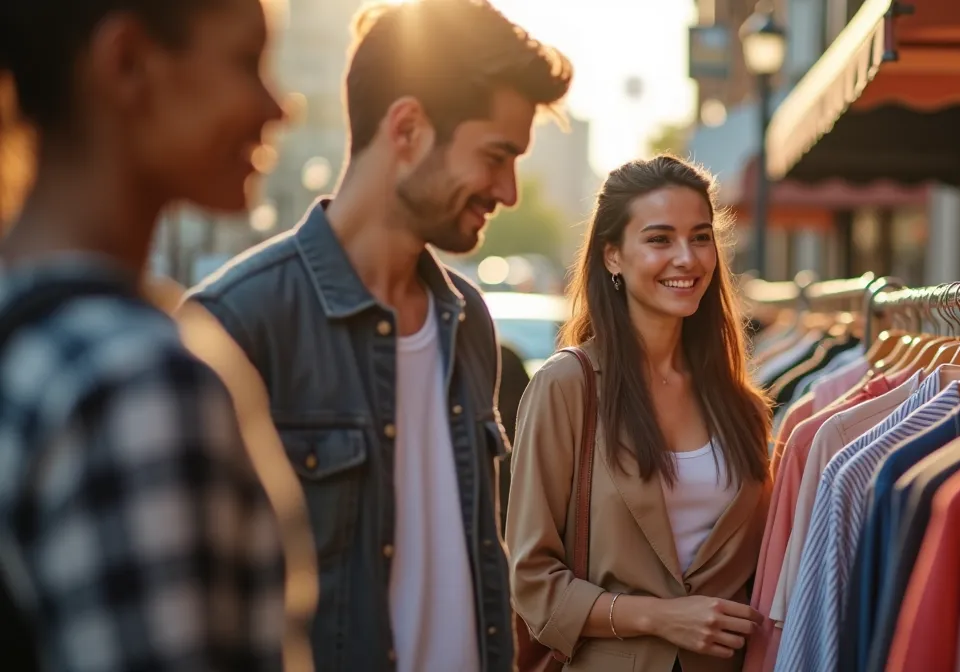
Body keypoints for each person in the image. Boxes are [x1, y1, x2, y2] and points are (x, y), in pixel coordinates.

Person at [185, 1, 573, 670]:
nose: (508, 190)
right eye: (495, 155)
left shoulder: (470, 322)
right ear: (409, 128)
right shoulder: (233, 329)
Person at [0, 0, 292, 670]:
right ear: (127, 62)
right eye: (247, 61)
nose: (275, 106)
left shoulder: (27, 325)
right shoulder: (133, 381)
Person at [507, 155, 773, 672]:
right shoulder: (567, 386)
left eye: (700, 237)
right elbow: (531, 580)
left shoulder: (738, 402)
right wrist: (658, 617)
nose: (687, 258)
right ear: (613, 256)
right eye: (659, 239)